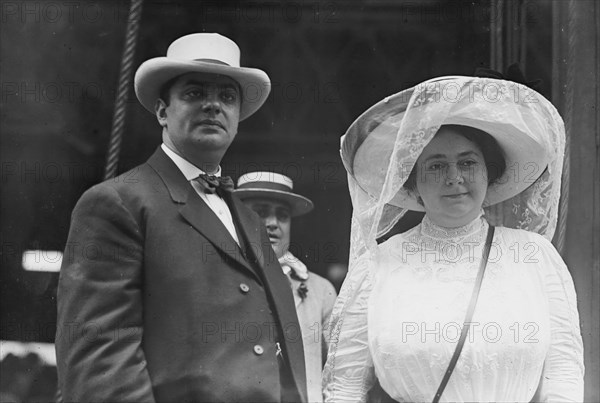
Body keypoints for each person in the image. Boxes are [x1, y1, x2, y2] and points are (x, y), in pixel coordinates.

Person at [55, 33, 308, 402]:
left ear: (238, 116)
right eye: (194, 93)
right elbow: (100, 364)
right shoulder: (117, 203)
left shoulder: (248, 219)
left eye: (227, 97)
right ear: (162, 111)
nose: (213, 105)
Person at [323, 74, 584, 402]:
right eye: (435, 166)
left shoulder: (533, 255)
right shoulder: (378, 266)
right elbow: (344, 387)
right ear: (412, 183)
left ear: (490, 172)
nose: (454, 177)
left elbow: (564, 371)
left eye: (468, 162)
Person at [235, 171, 337, 403]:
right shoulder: (217, 280)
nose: (272, 223)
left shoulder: (321, 290)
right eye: (260, 213)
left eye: (282, 216)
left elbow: (339, 371)